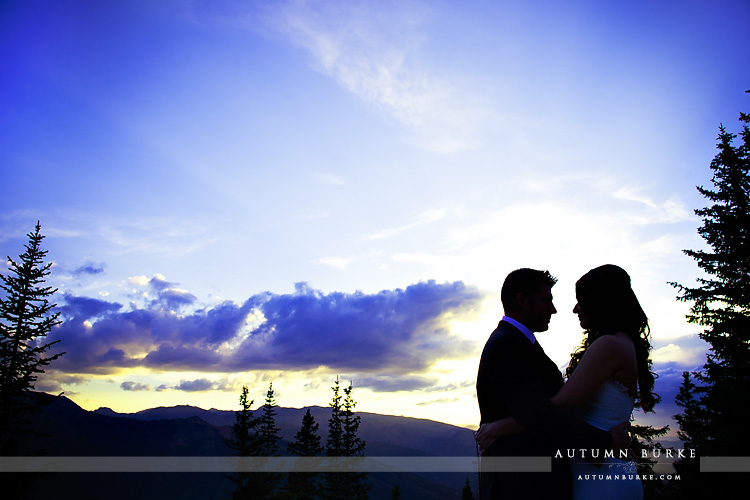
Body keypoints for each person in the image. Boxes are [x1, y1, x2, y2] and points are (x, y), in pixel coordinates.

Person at [477, 265, 656, 500]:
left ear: (598, 301)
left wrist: (498, 428)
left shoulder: (608, 345)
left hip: (601, 477)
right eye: (547, 300)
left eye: (581, 300)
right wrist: (607, 441)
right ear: (522, 300)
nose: (572, 309)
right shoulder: (509, 344)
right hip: (581, 472)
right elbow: (546, 411)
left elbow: (560, 405)